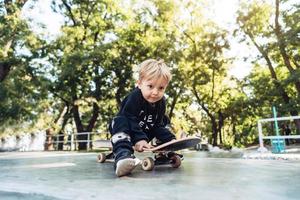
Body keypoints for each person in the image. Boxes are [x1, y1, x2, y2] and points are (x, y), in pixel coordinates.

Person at [109, 58, 176, 177]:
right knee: (119, 120)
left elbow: (157, 125)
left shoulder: (161, 103)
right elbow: (129, 118)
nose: (155, 92)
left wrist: (170, 139)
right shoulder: (135, 97)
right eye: (150, 86)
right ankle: (122, 155)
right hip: (126, 130)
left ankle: (164, 153)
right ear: (139, 84)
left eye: (161, 88)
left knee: (164, 120)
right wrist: (139, 139)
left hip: (145, 131)